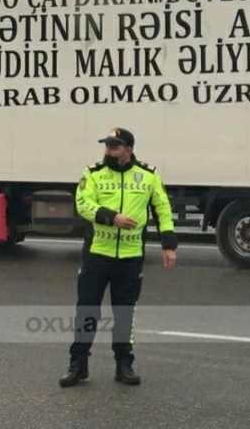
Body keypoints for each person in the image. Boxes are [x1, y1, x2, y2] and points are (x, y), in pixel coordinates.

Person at [59, 127, 178, 387]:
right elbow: (83, 204)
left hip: (131, 255)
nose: (108, 151)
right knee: (87, 309)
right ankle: (78, 364)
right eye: (107, 146)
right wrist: (112, 217)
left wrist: (169, 245)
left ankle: (124, 364)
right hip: (97, 254)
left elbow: (162, 209)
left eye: (114, 146)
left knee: (125, 311)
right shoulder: (92, 173)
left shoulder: (147, 175)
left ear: (129, 149)